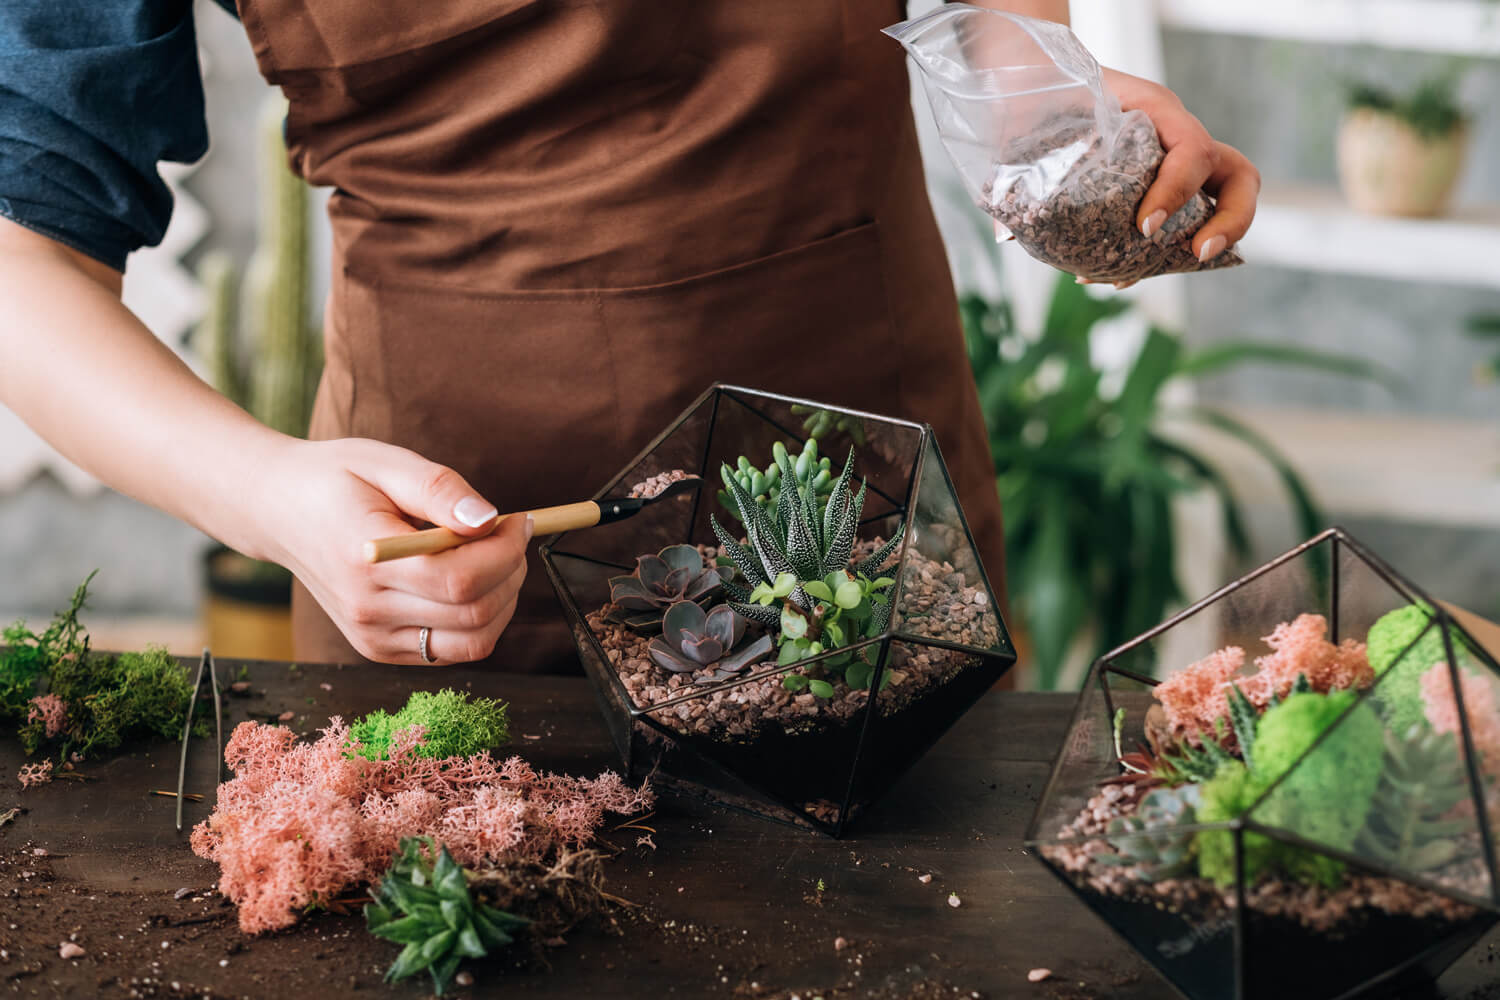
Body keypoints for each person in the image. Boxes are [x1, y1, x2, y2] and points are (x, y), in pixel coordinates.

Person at [0, 1, 1258, 672]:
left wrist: (1053, 115)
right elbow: (26, 242)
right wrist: (269, 493)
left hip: (871, 532)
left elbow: (992, 29)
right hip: (454, 587)